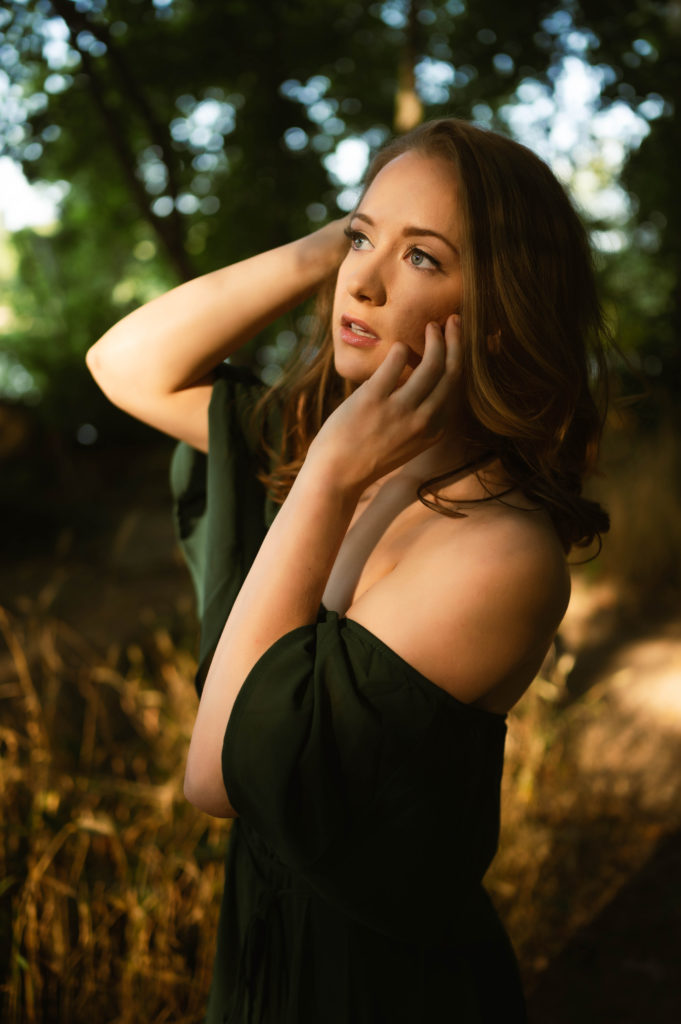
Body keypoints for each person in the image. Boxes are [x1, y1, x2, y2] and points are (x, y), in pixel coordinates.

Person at [86, 118, 610, 1023]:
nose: (359, 283)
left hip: (370, 991)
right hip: (261, 958)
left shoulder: (496, 552)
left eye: (424, 259)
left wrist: (326, 479)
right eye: (361, 241)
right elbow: (125, 364)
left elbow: (216, 780)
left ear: (501, 310)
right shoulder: (331, 445)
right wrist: (349, 235)